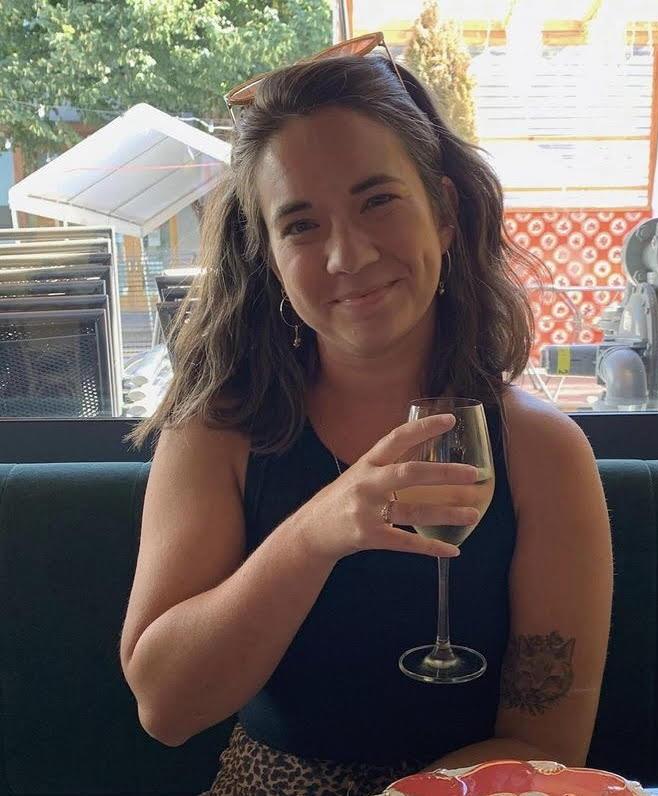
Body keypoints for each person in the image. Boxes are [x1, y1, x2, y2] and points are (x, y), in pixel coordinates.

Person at [119, 34, 613, 796]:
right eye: (301, 224)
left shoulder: (542, 452)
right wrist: (316, 532)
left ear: (443, 213)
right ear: (269, 257)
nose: (346, 255)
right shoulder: (216, 432)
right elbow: (165, 708)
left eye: (377, 201)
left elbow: (546, 743)